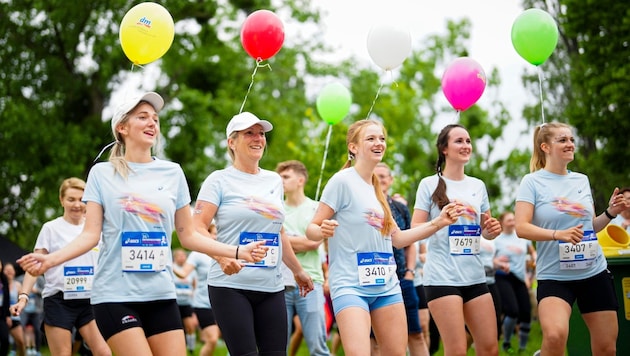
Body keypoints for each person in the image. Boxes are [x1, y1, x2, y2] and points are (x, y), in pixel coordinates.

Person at [17, 92, 267, 356]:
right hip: (115, 295)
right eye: (143, 117)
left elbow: (189, 235)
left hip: (161, 293)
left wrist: (236, 251)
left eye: (156, 119)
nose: (152, 124)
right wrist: (50, 260)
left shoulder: (173, 172)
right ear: (122, 127)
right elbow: (89, 236)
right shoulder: (102, 173)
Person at [305, 119, 462, 356]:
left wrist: (439, 222)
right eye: (370, 138)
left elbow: (397, 239)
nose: (379, 143)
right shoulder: (342, 181)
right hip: (350, 285)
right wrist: (322, 230)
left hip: (387, 285)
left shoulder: (376, 187)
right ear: (353, 147)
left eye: (381, 138)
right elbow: (311, 229)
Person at [191, 111, 314, 356]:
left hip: (271, 286)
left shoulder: (273, 181)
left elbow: (278, 232)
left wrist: (298, 271)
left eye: (261, 133)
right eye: (249, 133)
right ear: (231, 142)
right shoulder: (218, 180)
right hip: (230, 286)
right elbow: (196, 228)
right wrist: (222, 257)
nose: (258, 138)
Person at [514, 122, 626, 356]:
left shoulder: (581, 180)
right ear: (545, 146)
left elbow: (590, 227)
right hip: (555, 276)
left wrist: (610, 213)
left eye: (571, 139)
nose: (570, 144)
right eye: (563, 140)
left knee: (607, 348)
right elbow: (521, 227)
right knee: (555, 337)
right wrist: (557, 235)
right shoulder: (532, 182)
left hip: (593, 272)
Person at [410, 123, 503, 356]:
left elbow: (485, 230)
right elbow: (415, 228)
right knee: (457, 349)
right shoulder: (429, 184)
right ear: (444, 149)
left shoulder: (478, 185)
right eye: (459, 141)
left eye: (468, 141)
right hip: (442, 277)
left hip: (474, 275)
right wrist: (440, 221)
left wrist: (492, 229)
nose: (465, 146)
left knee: (490, 347)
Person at [10, 177, 109, 356]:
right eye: (71, 199)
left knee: (103, 352)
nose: (77, 205)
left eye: (82, 199)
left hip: (90, 300)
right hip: (59, 300)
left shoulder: (96, 229)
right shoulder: (51, 228)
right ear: (61, 200)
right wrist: (23, 297)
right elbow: (35, 267)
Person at [372, 162, 428, 356]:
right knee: (375, 341)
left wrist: (410, 273)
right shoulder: (362, 206)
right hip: (371, 279)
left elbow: (409, 242)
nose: (380, 180)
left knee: (416, 334)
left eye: (383, 176)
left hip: (402, 278)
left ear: (391, 180)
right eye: (375, 176)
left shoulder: (400, 208)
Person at [275, 160, 330, 356]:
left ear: (300, 180)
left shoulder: (317, 208)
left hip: (311, 282)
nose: (280, 180)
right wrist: (296, 241)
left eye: (285, 176)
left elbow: (314, 243)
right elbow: (273, 242)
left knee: (317, 347)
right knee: (277, 347)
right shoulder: (275, 209)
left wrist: (285, 241)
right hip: (279, 284)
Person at [173, 224, 222, 356]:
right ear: (206, 234)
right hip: (203, 303)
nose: (216, 236)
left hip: (224, 303)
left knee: (233, 338)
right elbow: (183, 273)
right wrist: (167, 265)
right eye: (213, 233)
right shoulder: (197, 255)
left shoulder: (226, 251)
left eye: (218, 233)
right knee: (212, 339)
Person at [494, 211, 536, 353]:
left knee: (526, 312)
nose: (512, 222)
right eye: (509, 220)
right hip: (503, 276)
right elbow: (487, 258)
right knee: (512, 311)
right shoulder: (496, 239)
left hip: (520, 277)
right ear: (502, 222)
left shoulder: (522, 236)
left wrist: (535, 258)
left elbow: (532, 251)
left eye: (514, 219)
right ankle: (506, 342)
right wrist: (497, 262)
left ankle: (523, 348)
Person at [171, 248, 197, 354]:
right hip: (175, 303)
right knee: (177, 328)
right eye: (179, 255)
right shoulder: (172, 268)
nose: (182, 257)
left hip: (187, 303)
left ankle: (191, 348)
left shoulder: (191, 271)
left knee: (190, 326)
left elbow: (194, 285)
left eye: (183, 255)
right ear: (175, 257)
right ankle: (180, 347)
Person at [3, 263, 26, 356]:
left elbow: (22, 299)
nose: (9, 272)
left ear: (14, 272)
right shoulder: (1, 284)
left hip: (14, 317)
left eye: (11, 270)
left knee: (21, 342)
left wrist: (20, 306)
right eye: (7, 270)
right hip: (2, 316)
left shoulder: (17, 285)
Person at [0, 260, 11, 356]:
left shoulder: (4, 279)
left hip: (2, 315)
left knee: (5, 340)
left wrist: (8, 315)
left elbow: (7, 298)